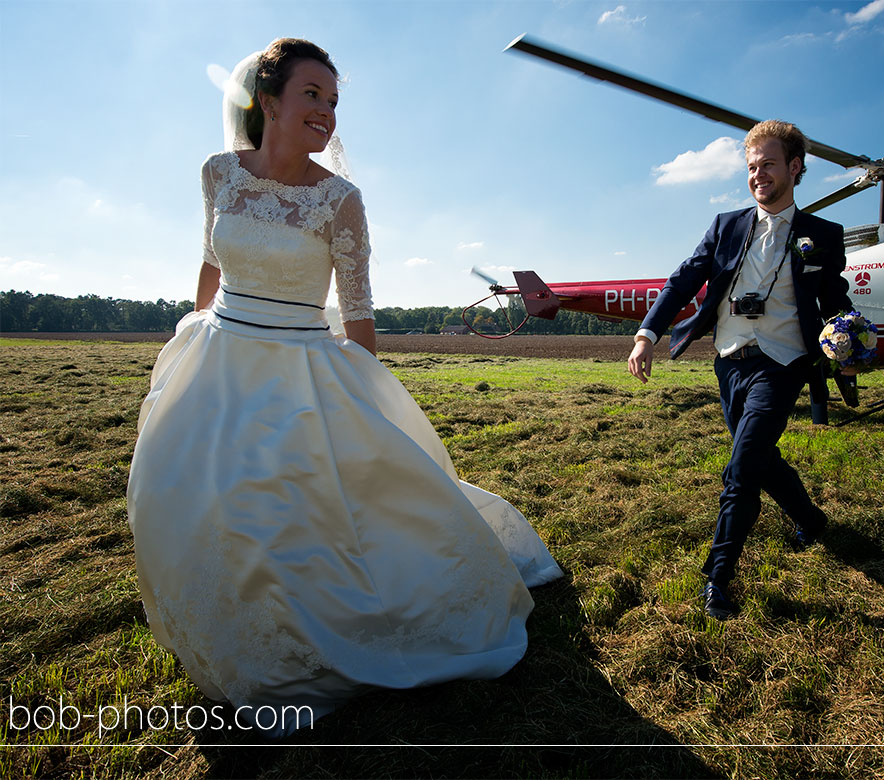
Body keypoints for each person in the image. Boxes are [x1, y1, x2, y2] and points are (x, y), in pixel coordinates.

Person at [126, 39, 561, 736]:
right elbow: (209, 263)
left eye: (334, 102)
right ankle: (229, 626)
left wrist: (362, 401)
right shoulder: (218, 174)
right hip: (219, 356)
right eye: (312, 95)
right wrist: (187, 338)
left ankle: (302, 638)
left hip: (301, 365)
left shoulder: (340, 200)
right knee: (205, 500)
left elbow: (357, 311)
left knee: (295, 513)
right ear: (268, 101)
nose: (326, 113)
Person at [627, 120, 851, 621]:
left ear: (795, 168)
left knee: (742, 467)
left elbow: (836, 301)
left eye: (768, 164)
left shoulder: (822, 236)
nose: (758, 175)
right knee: (759, 455)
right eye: (752, 167)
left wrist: (849, 335)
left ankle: (718, 578)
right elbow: (682, 280)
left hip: (783, 362)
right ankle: (810, 518)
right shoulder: (726, 226)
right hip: (729, 362)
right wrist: (647, 335)